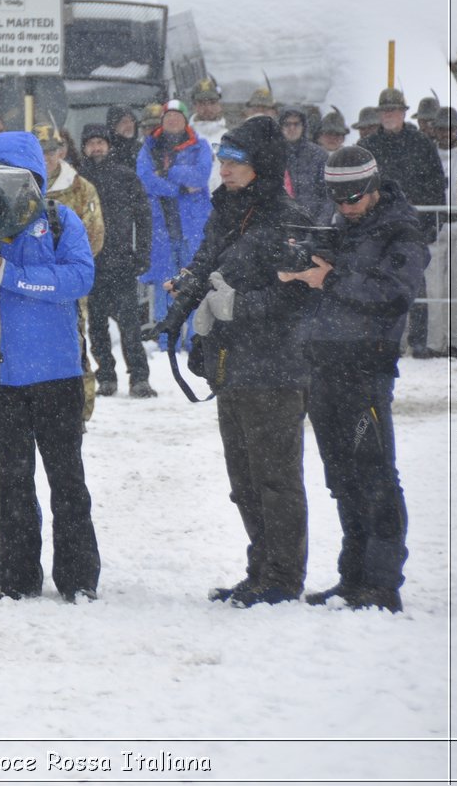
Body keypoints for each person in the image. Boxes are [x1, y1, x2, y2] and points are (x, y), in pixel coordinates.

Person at [282, 146, 426, 613]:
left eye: (354, 197)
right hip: (326, 363)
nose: (346, 206)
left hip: (366, 369)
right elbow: (332, 284)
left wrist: (332, 276)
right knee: (341, 476)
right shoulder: (341, 223)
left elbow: (395, 295)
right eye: (337, 197)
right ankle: (354, 575)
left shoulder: (400, 227)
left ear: (375, 186)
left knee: (375, 474)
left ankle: (382, 583)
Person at [178, 118, 314, 606]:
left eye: (236, 161)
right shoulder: (226, 211)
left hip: (276, 367)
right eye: (223, 160)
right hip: (232, 365)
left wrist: (241, 307)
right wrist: (194, 297)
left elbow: (299, 295)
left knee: (276, 479)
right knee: (244, 480)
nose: (225, 169)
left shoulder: (287, 217)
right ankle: (261, 568)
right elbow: (206, 264)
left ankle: (282, 576)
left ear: (262, 165)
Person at [0, 131, 100, 604]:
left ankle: (78, 578)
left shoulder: (60, 218)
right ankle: (17, 577)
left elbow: (79, 276)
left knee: (66, 478)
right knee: (11, 481)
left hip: (57, 376)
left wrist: (11, 276)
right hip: (3, 378)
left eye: (23, 175)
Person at [358, 88, 447, 358]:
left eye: (394, 109)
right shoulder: (368, 148)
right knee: (379, 288)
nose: (389, 114)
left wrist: (433, 224)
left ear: (404, 112)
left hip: (413, 227)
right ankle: (384, 340)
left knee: (416, 286)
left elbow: (435, 186)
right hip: (378, 229)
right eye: (385, 110)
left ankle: (418, 341)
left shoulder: (421, 143)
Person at [78, 124, 154, 398]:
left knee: (130, 325)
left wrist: (143, 253)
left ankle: (139, 378)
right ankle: (106, 376)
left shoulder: (125, 177)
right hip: (90, 264)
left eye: (101, 142)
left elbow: (143, 219)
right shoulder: (79, 181)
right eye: (91, 143)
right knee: (96, 326)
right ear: (84, 147)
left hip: (121, 262)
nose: (96, 148)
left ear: (109, 146)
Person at [37, 124, 103, 421]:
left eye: (51, 150)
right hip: (27, 281)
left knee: (72, 342)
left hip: (66, 282)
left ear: (62, 151)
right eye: (40, 151)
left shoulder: (79, 188)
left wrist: (59, 265)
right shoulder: (20, 184)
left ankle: (78, 408)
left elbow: (93, 237)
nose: (46, 157)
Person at [137, 99, 213, 347]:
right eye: (168, 116)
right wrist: (180, 188)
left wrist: (169, 172)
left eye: (177, 116)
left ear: (185, 120)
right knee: (164, 285)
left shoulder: (200, 145)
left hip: (192, 228)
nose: (172, 120)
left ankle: (194, 340)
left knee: (194, 283)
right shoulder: (149, 147)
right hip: (162, 228)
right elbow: (146, 180)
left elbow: (201, 176)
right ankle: (165, 340)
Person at [280, 108, 331, 221]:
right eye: (287, 124)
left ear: (303, 126)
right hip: (281, 225)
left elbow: (328, 195)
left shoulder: (319, 155)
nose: (292, 128)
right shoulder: (272, 155)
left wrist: (320, 225)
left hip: (312, 223)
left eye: (296, 124)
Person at [189, 75, 228, 192]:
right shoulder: (185, 136)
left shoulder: (229, 137)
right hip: (193, 202)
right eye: (202, 103)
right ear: (194, 106)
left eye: (212, 103)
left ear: (219, 105)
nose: (207, 108)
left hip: (222, 203)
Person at [105, 105, 141, 171]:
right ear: (113, 126)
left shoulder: (142, 149)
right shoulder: (106, 151)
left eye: (132, 121)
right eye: (124, 122)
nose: (129, 125)